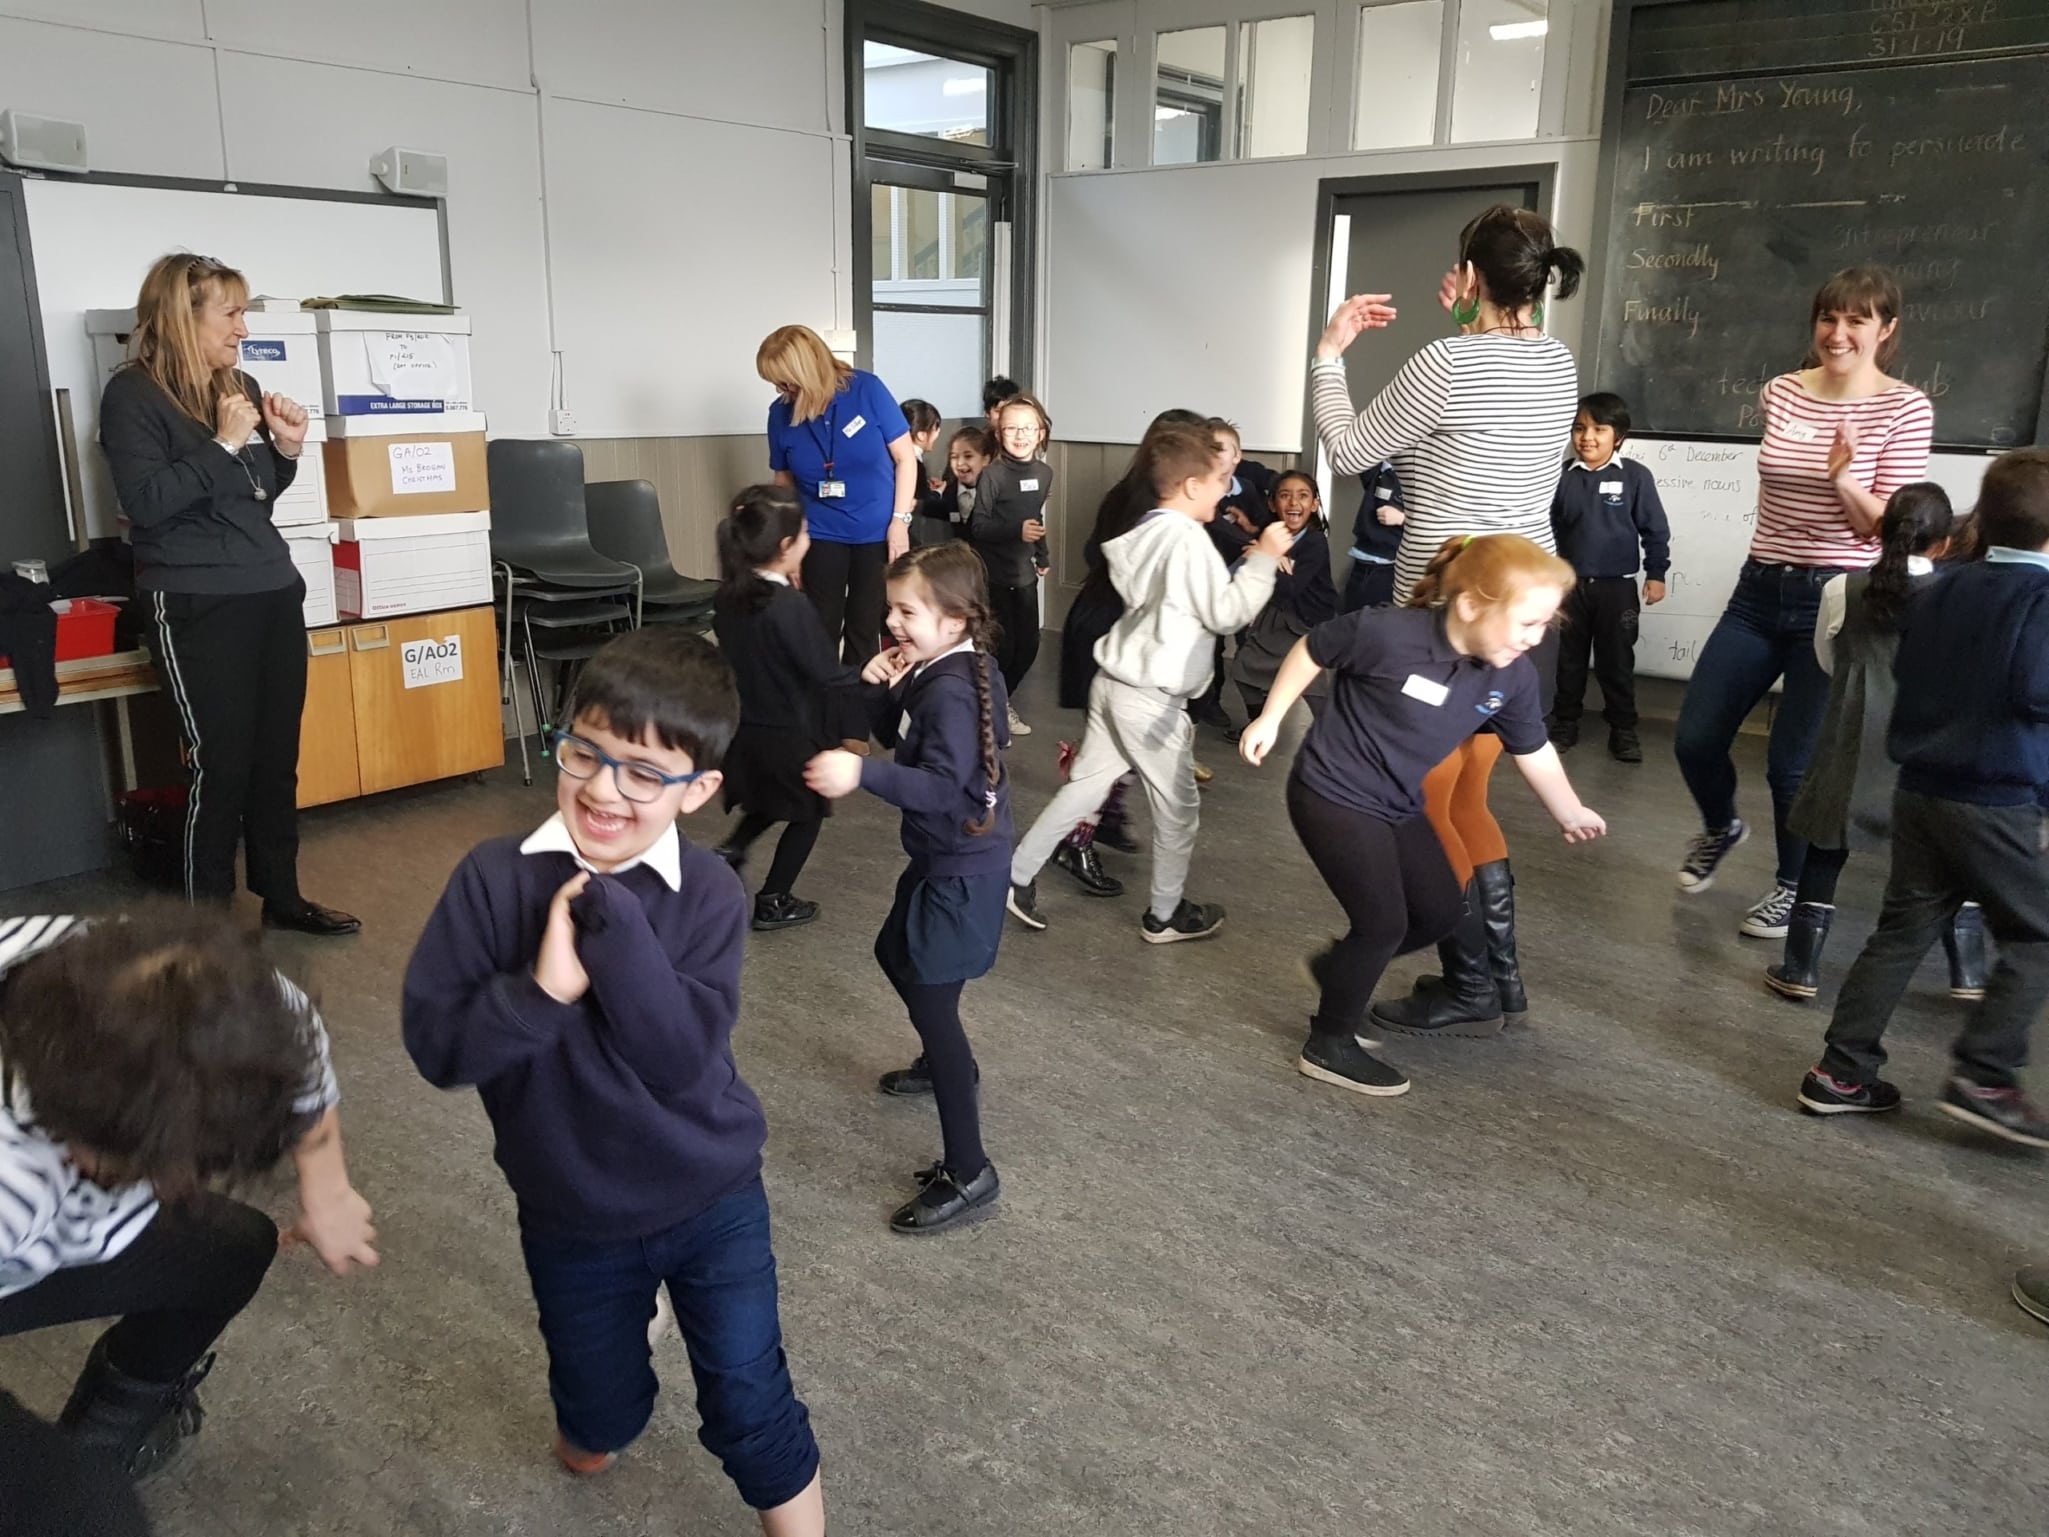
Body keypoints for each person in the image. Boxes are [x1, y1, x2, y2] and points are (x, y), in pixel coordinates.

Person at [401, 629, 825, 1533]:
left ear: (698, 789)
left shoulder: (708, 892)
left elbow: (678, 1061)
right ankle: (612, 1378)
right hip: (574, 1213)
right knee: (594, 1426)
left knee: (751, 1401)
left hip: (709, 1193)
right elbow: (440, 1049)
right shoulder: (492, 880)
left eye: (642, 772)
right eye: (584, 753)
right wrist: (542, 990)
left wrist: (617, 932)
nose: (602, 788)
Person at [1309, 204, 1582, 1034]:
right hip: (1519, 625)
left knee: (1425, 805)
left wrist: (1328, 357)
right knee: (1465, 799)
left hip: (1446, 625)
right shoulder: (1557, 363)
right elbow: (1466, 438)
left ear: (1468, 276)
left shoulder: (1445, 362)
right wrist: (1466, 324)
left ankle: (1469, 981)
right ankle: (1495, 979)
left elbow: (1349, 451)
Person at [0, 909, 376, 1484]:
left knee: (233, 1251)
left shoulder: (187, 983)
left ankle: (101, 1446)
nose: (181, 1184)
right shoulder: (16, 1182)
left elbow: (297, 1039)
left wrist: (329, 1190)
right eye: (155, 1166)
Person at [1239, 535, 1606, 1095]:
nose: (1536, 638)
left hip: (1398, 800)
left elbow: (1533, 749)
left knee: (1440, 911)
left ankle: (1339, 970)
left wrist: (1569, 808)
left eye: (1545, 625)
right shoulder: (1388, 634)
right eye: (1527, 622)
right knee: (1382, 923)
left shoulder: (1512, 676)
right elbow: (1314, 647)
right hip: (1332, 793)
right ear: (1471, 605)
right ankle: (1328, 1043)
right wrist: (1270, 717)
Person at [1793, 448, 2049, 1149]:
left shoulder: (1944, 586)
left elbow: (1910, 669)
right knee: (2037, 935)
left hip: (1921, 789)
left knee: (1901, 930)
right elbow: (2034, 691)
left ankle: (1840, 1073)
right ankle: (1986, 1077)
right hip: (1993, 798)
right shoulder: (2039, 598)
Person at [1672, 267, 1934, 942]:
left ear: (1886, 330)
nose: (1837, 333)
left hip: (1838, 599)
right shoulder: (1782, 391)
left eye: (1856, 321)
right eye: (1827, 317)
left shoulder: (1905, 409)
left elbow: (1889, 529)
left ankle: (1791, 887)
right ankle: (1722, 825)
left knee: (1791, 763)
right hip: (1759, 586)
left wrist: (1843, 479)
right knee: (1696, 737)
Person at [98, 253, 358, 935]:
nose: (243, 328)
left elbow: (253, 494)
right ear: (182, 317)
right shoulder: (131, 396)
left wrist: (287, 451)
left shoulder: (238, 383)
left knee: (275, 761)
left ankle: (283, 896)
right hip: (194, 600)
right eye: (232, 313)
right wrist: (222, 442)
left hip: (270, 588)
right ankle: (203, 930)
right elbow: (146, 504)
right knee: (220, 768)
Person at [1006, 421, 1290, 942]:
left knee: (1086, 788)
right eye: (1218, 480)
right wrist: (1266, 560)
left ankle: (1016, 876)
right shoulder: (1189, 541)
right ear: (1191, 486)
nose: (1225, 489)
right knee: (1178, 811)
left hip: (1114, 682)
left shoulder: (1147, 531)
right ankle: (1165, 914)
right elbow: (1227, 613)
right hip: (1152, 700)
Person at [804, 544, 1013, 1235]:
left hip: (961, 867)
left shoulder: (951, 689)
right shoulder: (941, 669)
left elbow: (941, 787)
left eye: (906, 611)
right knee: (894, 952)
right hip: (942, 857)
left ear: (955, 620)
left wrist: (859, 773)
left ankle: (970, 1170)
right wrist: (875, 685)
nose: (891, 622)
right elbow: (899, 733)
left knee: (929, 994)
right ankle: (944, 1058)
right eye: (891, 608)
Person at [1766, 484, 1970, 1000]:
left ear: (1880, 530)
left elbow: (1826, 660)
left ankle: (1800, 969)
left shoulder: (1842, 588)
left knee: (1826, 847)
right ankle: (1967, 972)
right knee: (1952, 855)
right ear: (1944, 544)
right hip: (1930, 750)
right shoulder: (1959, 595)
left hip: (1853, 740)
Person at [1044, 410, 1212, 902]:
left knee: (1113, 752)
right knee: (1105, 756)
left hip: (1111, 630)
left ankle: (1101, 821)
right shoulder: (1149, 504)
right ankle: (1075, 841)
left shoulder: (1135, 495)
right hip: (1110, 632)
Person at [711, 485, 859, 933]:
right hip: (790, 731)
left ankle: (732, 849)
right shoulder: (788, 606)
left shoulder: (730, 595)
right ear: (787, 546)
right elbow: (825, 673)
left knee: (771, 798)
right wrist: (874, 680)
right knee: (810, 812)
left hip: (745, 728)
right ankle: (774, 899)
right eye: (807, 533)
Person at [758, 324, 920, 666]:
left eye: (785, 382)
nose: (780, 390)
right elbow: (784, 481)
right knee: (819, 628)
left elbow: (906, 459)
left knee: (865, 627)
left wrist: (900, 522)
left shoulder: (868, 390)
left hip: (877, 530)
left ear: (807, 371)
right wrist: (792, 544)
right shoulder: (780, 413)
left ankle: (861, 698)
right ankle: (822, 698)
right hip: (819, 531)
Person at [1548, 391, 1671, 763]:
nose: (1587, 437)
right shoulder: (1560, 476)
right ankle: (1565, 723)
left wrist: (1657, 573)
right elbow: (1546, 529)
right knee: (1568, 660)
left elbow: (1655, 529)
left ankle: (1623, 729)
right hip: (1568, 588)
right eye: (1579, 428)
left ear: (1618, 436)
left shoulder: (1635, 476)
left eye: (1599, 429)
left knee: (1616, 661)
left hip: (1616, 587)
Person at [967, 393, 1054, 735]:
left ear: (1040, 433)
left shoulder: (1044, 473)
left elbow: (1035, 518)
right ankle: (993, 708)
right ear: (999, 433)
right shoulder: (993, 475)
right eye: (1012, 429)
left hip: (1025, 574)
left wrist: (1043, 555)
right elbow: (978, 526)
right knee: (1003, 648)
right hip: (994, 575)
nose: (1020, 435)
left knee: (1029, 647)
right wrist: (1016, 531)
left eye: (1028, 428)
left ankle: (998, 701)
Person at [1227, 470, 1339, 734]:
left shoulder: (1314, 542)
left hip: (1305, 621)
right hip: (1279, 615)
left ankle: (1333, 733)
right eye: (1285, 495)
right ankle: (1260, 723)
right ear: (1272, 504)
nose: (1293, 502)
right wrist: (1267, 551)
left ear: (1314, 505)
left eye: (1303, 496)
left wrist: (1268, 558)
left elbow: (1291, 588)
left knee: (1311, 682)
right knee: (1244, 669)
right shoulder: (1272, 534)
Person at [1190, 418, 1277, 729]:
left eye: (1220, 449)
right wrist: (1253, 543)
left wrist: (1253, 532)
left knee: (1248, 642)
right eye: (1207, 448)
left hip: (1242, 579)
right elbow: (1214, 524)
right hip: (1209, 578)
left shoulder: (1248, 489)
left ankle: (1257, 709)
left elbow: (1262, 523)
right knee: (1209, 644)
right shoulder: (1199, 488)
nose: (1213, 455)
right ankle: (1207, 702)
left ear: (1237, 455)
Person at [1340, 459, 1407, 614]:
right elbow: (1359, 457)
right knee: (1350, 616)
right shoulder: (1379, 471)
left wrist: (1402, 518)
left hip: (1392, 566)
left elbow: (1434, 519)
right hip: (1362, 559)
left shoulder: (1417, 477)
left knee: (1380, 620)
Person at [900, 397, 951, 552]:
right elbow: (920, 502)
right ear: (922, 435)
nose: (938, 432)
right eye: (936, 427)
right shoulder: (914, 464)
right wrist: (937, 493)